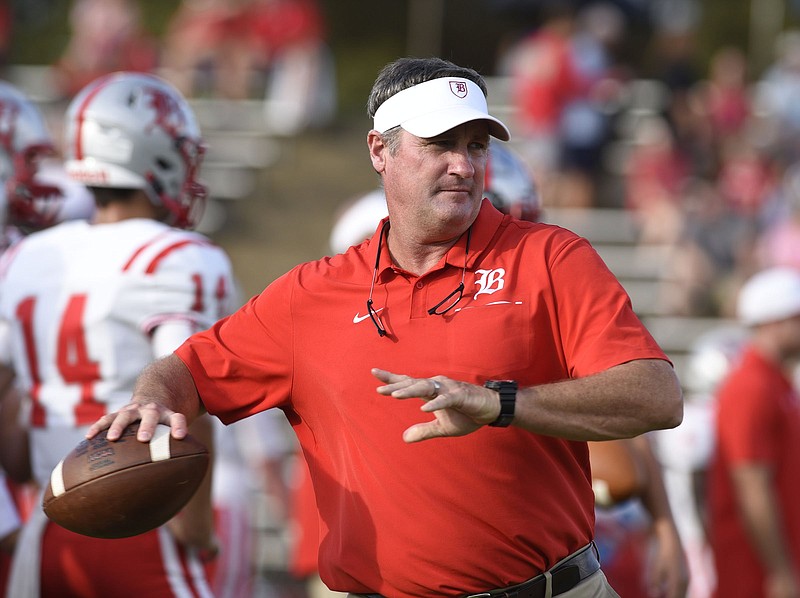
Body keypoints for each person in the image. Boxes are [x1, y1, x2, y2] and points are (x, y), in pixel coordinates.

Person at [88, 56, 683, 598]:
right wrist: (153, 398)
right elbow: (185, 371)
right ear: (380, 150)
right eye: (442, 144)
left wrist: (500, 403)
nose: (464, 165)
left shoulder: (553, 257)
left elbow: (656, 396)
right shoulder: (310, 294)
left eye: (476, 146)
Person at [0, 71, 237, 597]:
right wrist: (197, 529)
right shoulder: (178, 257)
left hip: (47, 524)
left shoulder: (27, 257)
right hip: (145, 523)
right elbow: (188, 392)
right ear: (153, 154)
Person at [708, 266, 800, 598]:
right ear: (774, 322)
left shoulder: (775, 382)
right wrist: (780, 572)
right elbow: (752, 485)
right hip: (754, 574)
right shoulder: (750, 386)